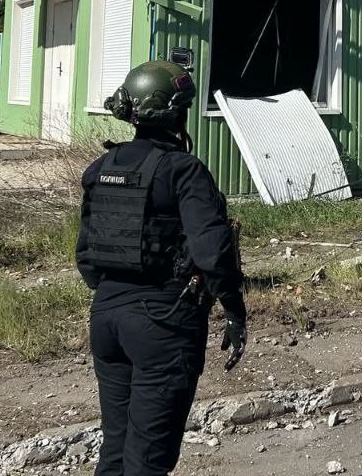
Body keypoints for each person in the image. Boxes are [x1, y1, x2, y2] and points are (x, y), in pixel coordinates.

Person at [76, 58, 247, 476]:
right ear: (176, 113)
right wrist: (234, 309)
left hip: (106, 318)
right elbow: (212, 251)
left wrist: (118, 294)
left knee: (116, 448)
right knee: (148, 459)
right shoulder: (183, 170)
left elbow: (86, 258)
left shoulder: (101, 169)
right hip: (163, 322)